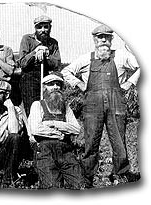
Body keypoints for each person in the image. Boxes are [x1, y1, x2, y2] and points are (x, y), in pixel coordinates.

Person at [61, 24, 141, 188]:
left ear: (112, 39)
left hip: (116, 103)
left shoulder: (121, 56)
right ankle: (87, 177)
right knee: (91, 142)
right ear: (94, 39)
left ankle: (121, 174)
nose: (103, 40)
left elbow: (142, 66)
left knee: (119, 140)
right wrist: (79, 84)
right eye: (100, 37)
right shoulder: (85, 58)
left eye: (107, 36)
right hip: (92, 105)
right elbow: (66, 72)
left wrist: (129, 83)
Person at [27, 74, 84, 189]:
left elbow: (76, 128)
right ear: (44, 88)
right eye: (51, 84)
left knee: (80, 184)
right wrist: (59, 133)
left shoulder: (66, 107)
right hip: (44, 151)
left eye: (58, 84)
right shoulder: (38, 105)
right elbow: (36, 129)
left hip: (65, 151)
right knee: (53, 187)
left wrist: (53, 124)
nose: (55, 87)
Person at [18, 15, 61, 118]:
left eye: (46, 27)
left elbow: (56, 65)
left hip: (45, 78)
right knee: (32, 109)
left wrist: (46, 54)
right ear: (35, 28)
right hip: (29, 78)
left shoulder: (53, 43)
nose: (43, 30)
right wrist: (35, 51)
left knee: (47, 108)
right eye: (39, 27)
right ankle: (32, 132)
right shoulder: (27, 39)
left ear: (50, 27)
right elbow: (22, 63)